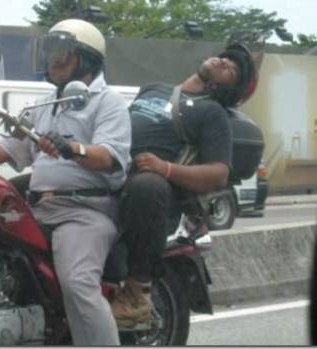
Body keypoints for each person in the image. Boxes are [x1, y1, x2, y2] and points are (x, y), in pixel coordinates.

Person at [0, 19, 132, 345]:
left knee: (77, 283)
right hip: (39, 208)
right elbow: (4, 151)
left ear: (87, 58)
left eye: (61, 53)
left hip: (85, 211)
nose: (52, 61)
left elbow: (109, 157)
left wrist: (71, 148)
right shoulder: (45, 105)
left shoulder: (108, 102)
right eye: (48, 53)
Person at [110, 40, 259, 329]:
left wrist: (165, 168)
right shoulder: (152, 88)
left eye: (232, 70)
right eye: (225, 58)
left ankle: (138, 294)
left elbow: (219, 173)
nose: (224, 62)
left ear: (228, 89)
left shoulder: (211, 113)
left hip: (146, 186)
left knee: (147, 186)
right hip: (110, 170)